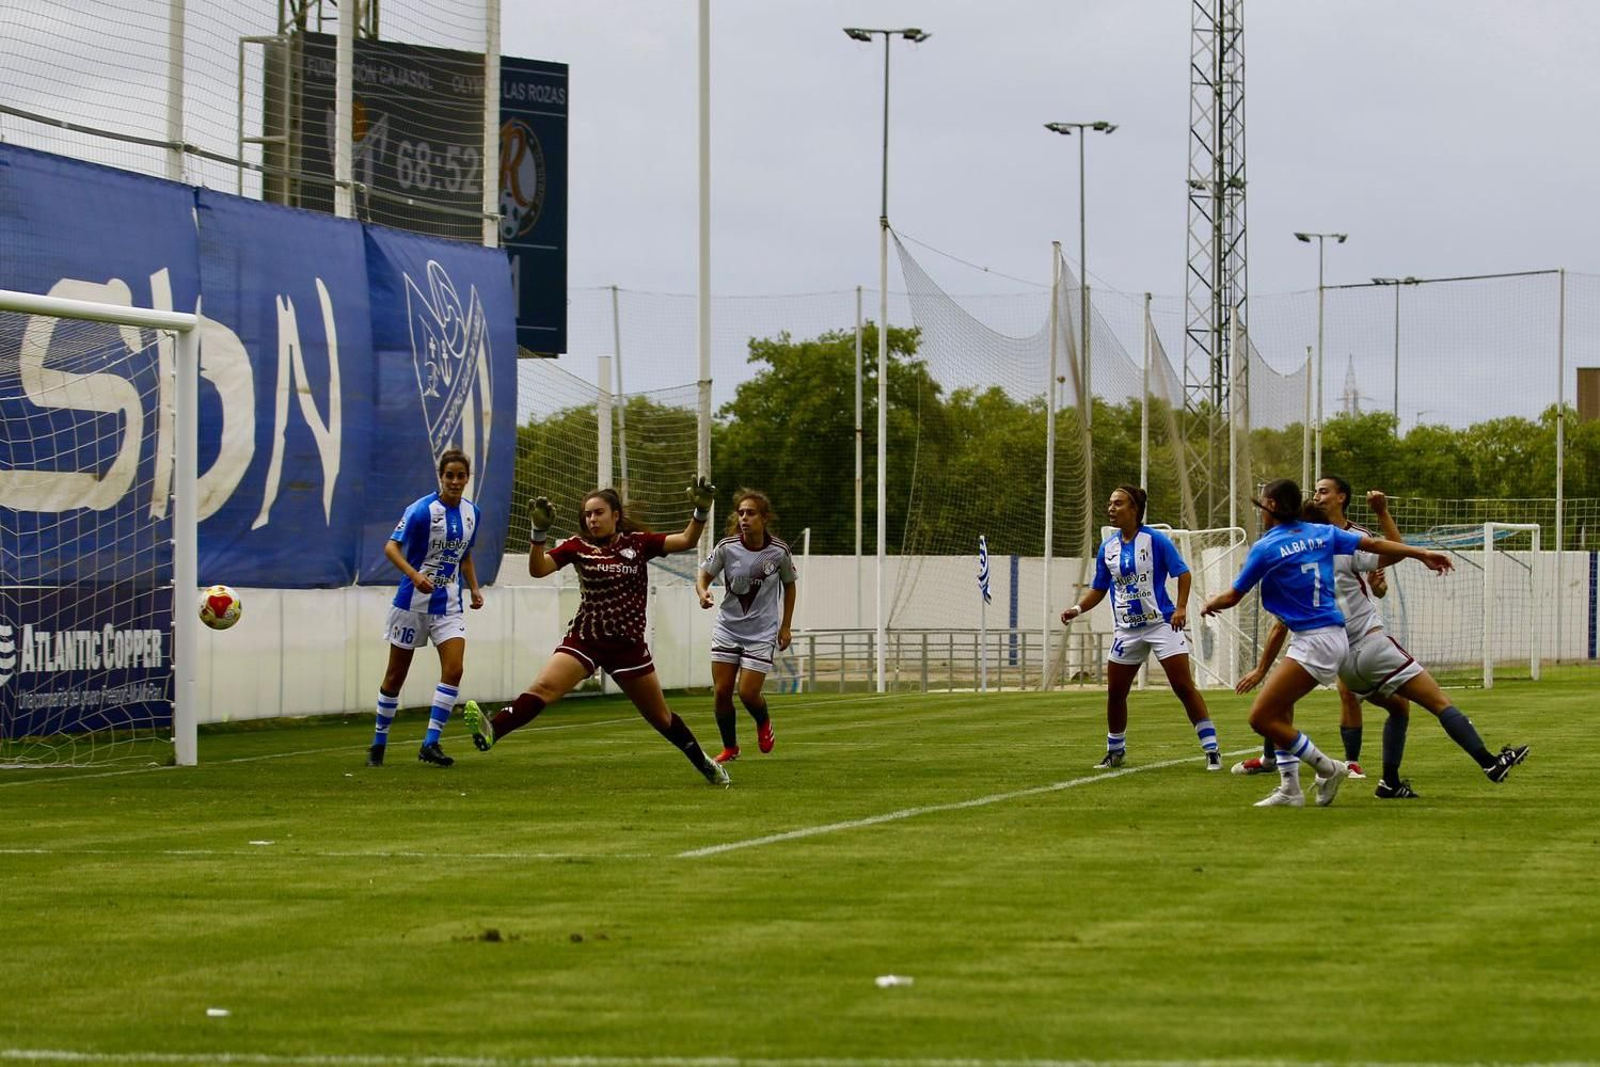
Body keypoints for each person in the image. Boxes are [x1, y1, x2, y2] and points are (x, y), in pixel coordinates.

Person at [462, 479, 732, 788]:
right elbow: (538, 569)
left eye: (598, 513)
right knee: (543, 688)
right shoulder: (577, 546)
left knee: (661, 719)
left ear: (615, 515)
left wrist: (700, 510)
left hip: (628, 647)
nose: (592, 519)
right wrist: (538, 535)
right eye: (587, 514)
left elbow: (685, 540)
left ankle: (705, 763)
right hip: (586, 639)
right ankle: (492, 729)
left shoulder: (638, 543)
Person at [1201, 478, 1454, 807]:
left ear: (1273, 506)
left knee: (1260, 718)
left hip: (1317, 639)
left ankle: (1327, 767)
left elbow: (1234, 596)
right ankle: (1290, 788)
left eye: (1262, 503)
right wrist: (1421, 553)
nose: (1260, 510)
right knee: (1278, 710)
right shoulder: (1320, 533)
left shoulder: (1267, 546)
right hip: (1328, 635)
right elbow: (1376, 545)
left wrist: (1209, 603)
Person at [1233, 475, 1404, 782]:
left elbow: (1388, 560)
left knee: (1343, 694)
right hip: (1317, 627)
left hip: (1346, 631)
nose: (1317, 496)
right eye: (1315, 492)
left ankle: (1342, 765)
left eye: (1324, 491)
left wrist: (1383, 582)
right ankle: (1280, 763)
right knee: (1281, 699)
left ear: (1342, 497)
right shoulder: (1309, 535)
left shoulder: (1346, 537)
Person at [1060, 485, 1222, 771]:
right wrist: (1077, 609)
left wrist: (1182, 608)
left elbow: (1183, 573)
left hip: (1161, 624)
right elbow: (1099, 588)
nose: (1111, 508)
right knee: (1115, 692)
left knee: (1183, 686)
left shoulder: (1155, 541)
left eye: (1118, 503)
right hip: (1126, 630)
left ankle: (1211, 749)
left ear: (1134, 509)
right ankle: (1115, 751)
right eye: (1110, 503)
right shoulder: (1107, 547)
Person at [367, 448, 484, 768]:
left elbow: (466, 556)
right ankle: (378, 744)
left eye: (461, 476)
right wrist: (414, 575)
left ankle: (430, 742)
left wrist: (474, 588)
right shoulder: (421, 511)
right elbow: (391, 547)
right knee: (394, 677)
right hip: (412, 605)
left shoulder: (473, 512)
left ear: (467, 478)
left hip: (449, 605)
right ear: (441, 477)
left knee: (455, 669)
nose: (455, 482)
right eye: (450, 476)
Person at [696, 489, 797, 764]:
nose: (744, 518)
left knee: (748, 693)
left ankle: (763, 721)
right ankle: (730, 748)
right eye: (741, 513)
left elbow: (790, 586)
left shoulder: (778, 552)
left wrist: (785, 627)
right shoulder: (727, 547)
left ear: (764, 518)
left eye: (750, 513)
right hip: (728, 628)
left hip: (762, 632)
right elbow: (703, 575)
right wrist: (702, 592)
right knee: (721, 692)